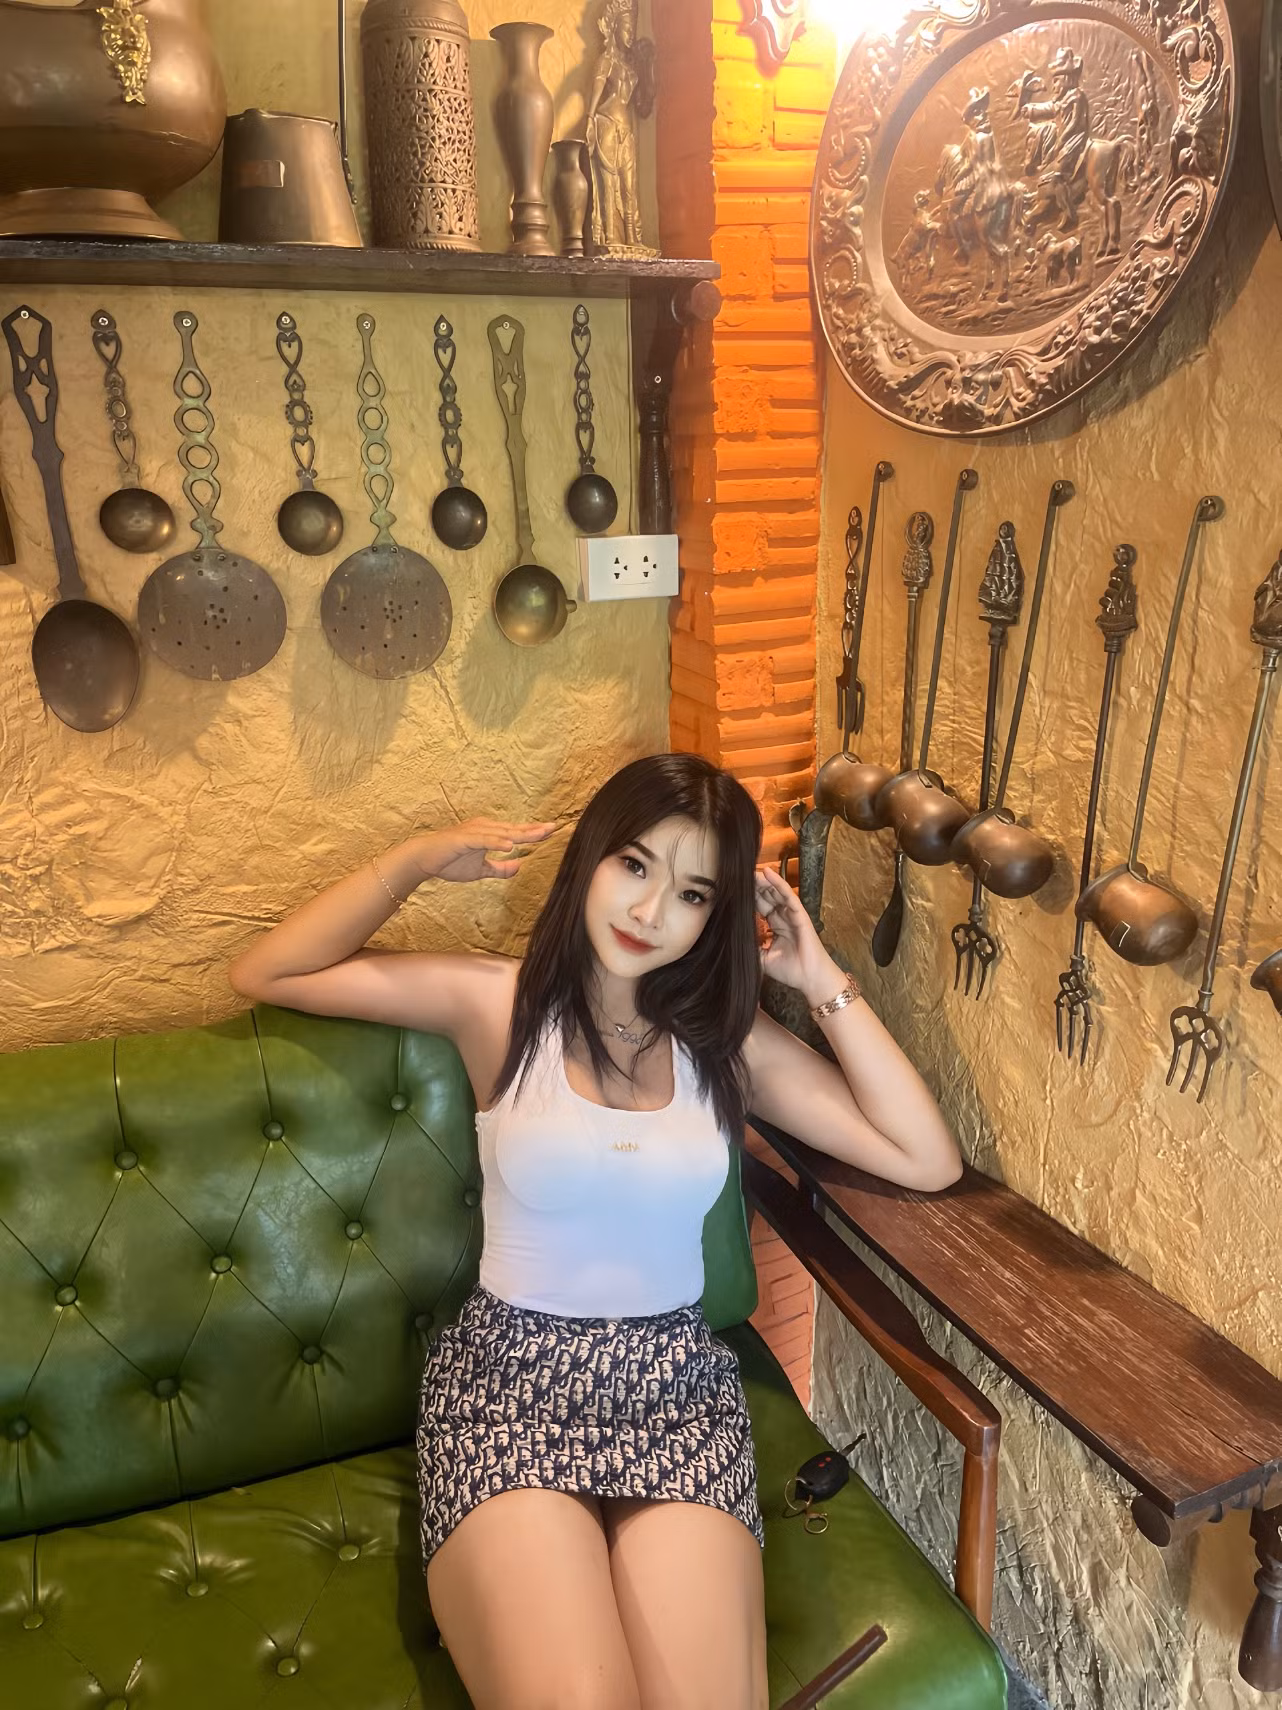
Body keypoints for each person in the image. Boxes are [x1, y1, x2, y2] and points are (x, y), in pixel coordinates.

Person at [228, 751, 961, 1710]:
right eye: (634, 865)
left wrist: (816, 972)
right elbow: (268, 970)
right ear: (590, 857)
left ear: (715, 919)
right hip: (510, 1384)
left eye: (692, 894)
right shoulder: (499, 1004)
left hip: (677, 1388)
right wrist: (414, 861)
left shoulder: (724, 1042)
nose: (650, 911)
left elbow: (924, 1158)